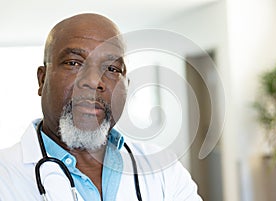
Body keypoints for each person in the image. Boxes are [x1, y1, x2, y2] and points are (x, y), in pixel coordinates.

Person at [0, 13, 202, 201]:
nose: (94, 81)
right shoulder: (5, 175)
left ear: (126, 87)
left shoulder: (164, 170)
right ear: (42, 80)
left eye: (112, 68)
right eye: (74, 63)